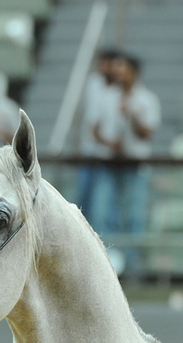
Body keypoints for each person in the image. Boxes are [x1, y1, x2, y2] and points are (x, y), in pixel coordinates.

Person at [90, 53, 161, 279]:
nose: (118, 74)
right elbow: (94, 130)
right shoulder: (106, 97)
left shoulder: (147, 100)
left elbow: (147, 133)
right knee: (103, 214)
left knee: (134, 217)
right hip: (110, 163)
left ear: (134, 73)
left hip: (135, 165)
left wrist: (132, 115)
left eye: (123, 70)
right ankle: (106, 267)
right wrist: (111, 143)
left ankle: (132, 268)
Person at [76, 49, 119, 230]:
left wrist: (104, 139)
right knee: (81, 203)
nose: (103, 67)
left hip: (107, 156)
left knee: (102, 207)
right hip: (88, 153)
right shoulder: (93, 84)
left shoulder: (119, 91)